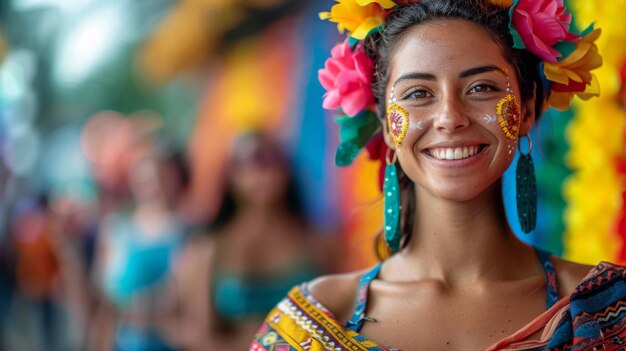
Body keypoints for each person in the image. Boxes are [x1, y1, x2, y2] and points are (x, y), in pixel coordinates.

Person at [250, 0, 624, 350]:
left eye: (481, 88)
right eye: (417, 94)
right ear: (385, 126)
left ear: (526, 111)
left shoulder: (606, 311)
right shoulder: (311, 323)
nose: (449, 117)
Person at [174, 132, 335, 350]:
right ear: (231, 174)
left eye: (271, 161)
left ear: (286, 170)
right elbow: (198, 333)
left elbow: (338, 319)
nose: (261, 173)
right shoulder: (208, 248)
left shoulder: (317, 241)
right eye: (249, 162)